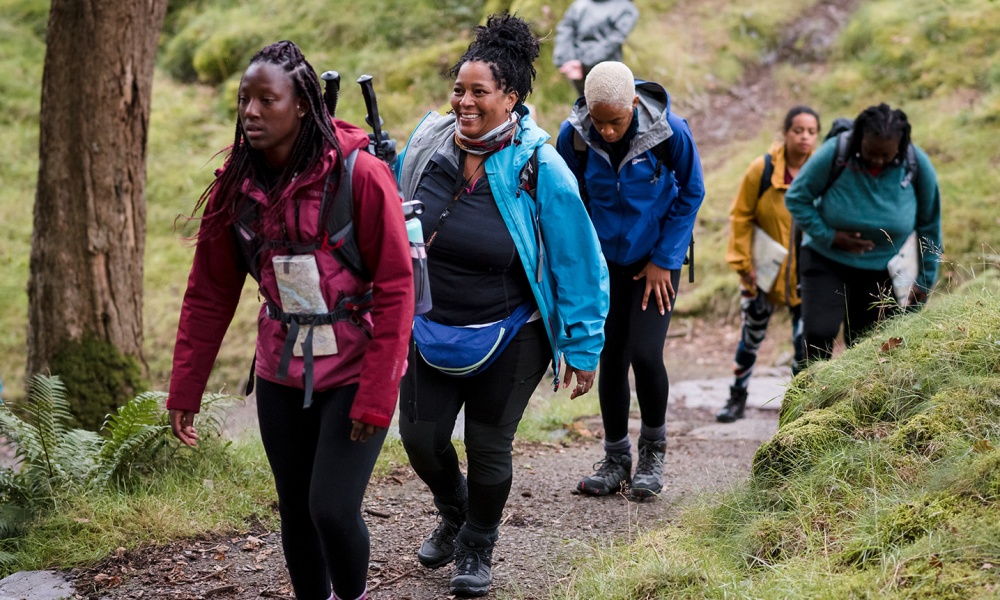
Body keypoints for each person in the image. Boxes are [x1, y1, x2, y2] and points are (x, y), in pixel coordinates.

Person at [166, 41, 414, 600]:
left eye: (265, 99)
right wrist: (186, 389)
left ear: (302, 103)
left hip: (353, 370)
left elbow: (399, 288)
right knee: (297, 511)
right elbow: (208, 293)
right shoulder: (236, 186)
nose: (250, 112)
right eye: (243, 99)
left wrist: (378, 396)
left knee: (330, 507)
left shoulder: (361, 176)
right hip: (280, 372)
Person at [395, 13, 609, 598]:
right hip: (429, 325)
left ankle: (477, 547)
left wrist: (583, 347)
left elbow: (580, 262)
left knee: (490, 446)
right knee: (420, 439)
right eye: (458, 89)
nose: (464, 101)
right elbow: (387, 212)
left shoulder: (541, 167)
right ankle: (454, 510)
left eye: (479, 92)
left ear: (511, 97)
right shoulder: (424, 144)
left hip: (513, 331)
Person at [557, 61, 705, 499]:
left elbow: (692, 192)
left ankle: (653, 452)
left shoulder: (670, 133)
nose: (605, 131)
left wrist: (665, 259)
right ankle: (616, 458)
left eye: (615, 121)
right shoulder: (574, 136)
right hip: (605, 263)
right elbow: (568, 198)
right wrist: (584, 263)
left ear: (634, 104)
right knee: (613, 355)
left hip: (655, 260)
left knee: (645, 352)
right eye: (598, 121)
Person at [785, 103, 942, 363]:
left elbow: (930, 224)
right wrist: (829, 235)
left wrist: (925, 279)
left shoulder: (917, 164)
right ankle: (802, 401)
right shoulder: (835, 152)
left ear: (900, 147)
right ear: (860, 139)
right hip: (826, 259)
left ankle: (855, 401)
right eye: (871, 153)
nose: (878, 160)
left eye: (886, 155)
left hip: (883, 268)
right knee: (818, 336)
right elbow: (796, 198)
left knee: (870, 347)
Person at [717, 106, 821, 423]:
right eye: (798, 130)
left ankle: (798, 409)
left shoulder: (820, 173)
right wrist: (743, 263)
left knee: (804, 344)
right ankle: (737, 397)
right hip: (760, 271)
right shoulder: (761, 170)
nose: (804, 137)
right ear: (785, 132)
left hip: (805, 275)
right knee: (751, 338)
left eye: (811, 131)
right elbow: (741, 218)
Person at [552, 0, 639, 97]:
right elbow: (565, 31)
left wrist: (582, 62)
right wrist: (568, 60)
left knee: (608, 105)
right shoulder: (579, 5)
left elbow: (614, 39)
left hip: (607, 71)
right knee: (585, 104)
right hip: (577, 70)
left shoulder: (625, 8)